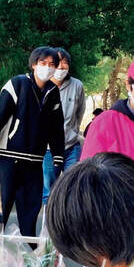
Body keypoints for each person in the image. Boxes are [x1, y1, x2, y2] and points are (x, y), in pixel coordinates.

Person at [0, 46, 65, 236]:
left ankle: (28, 258)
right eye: (43, 63)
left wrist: (58, 158)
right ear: (34, 64)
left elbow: (56, 128)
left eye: (52, 65)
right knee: (0, 209)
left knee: (30, 213)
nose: (47, 68)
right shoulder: (17, 84)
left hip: (35, 162)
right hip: (8, 159)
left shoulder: (53, 92)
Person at [42, 47, 85, 204]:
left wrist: (72, 131)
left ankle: (70, 225)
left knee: (74, 187)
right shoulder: (42, 86)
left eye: (65, 62)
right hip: (47, 150)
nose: (61, 67)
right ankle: (48, 226)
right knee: (49, 190)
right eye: (57, 62)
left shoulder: (77, 85)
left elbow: (80, 112)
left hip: (71, 146)